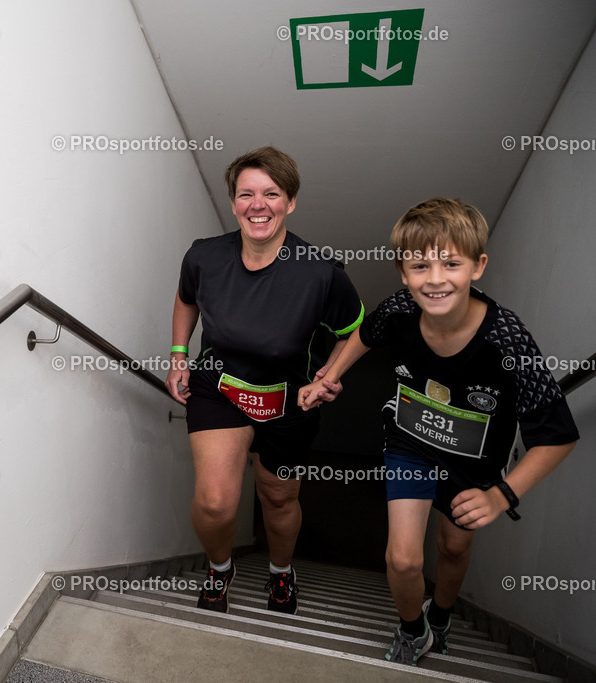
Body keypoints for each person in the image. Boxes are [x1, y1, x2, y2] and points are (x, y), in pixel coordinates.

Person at [299, 197, 578, 665]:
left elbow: (558, 435)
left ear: (478, 267)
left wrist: (502, 495)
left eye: (451, 263)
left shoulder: (507, 339)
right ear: (403, 272)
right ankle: (415, 632)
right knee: (404, 560)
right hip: (410, 444)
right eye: (419, 265)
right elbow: (367, 332)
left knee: (452, 546)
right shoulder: (401, 308)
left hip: (475, 462)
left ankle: (443, 616)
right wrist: (329, 376)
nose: (434, 278)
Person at [166, 147, 363, 614]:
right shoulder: (204, 257)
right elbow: (185, 298)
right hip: (220, 388)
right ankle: (219, 569)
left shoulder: (321, 273)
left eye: (271, 194)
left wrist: (330, 375)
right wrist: (178, 355)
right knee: (215, 502)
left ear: (290, 202)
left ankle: (280, 571)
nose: (259, 204)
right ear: (233, 202)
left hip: (291, 400)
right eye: (247, 194)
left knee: (277, 496)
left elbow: (356, 330)